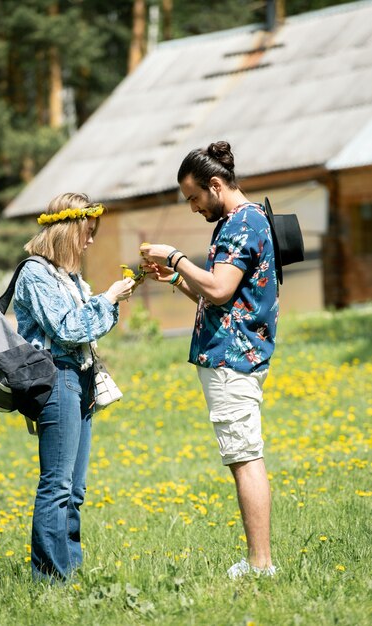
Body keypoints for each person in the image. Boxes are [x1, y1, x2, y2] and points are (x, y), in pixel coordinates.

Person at [140, 141, 278, 579]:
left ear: (215, 185)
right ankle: (260, 562)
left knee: (244, 456)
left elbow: (218, 289)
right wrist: (178, 277)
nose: (193, 207)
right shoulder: (240, 221)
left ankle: (260, 565)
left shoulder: (241, 223)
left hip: (231, 358)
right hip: (233, 352)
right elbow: (220, 296)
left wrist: (175, 255)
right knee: (242, 454)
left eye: (194, 198)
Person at [14, 192, 135, 582]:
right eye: (88, 231)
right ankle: (50, 578)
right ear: (68, 230)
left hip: (80, 377)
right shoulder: (35, 273)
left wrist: (109, 301)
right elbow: (66, 329)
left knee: (76, 489)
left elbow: (87, 324)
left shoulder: (69, 277)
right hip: (56, 378)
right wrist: (109, 298)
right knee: (58, 484)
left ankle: (71, 569)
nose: (91, 240)